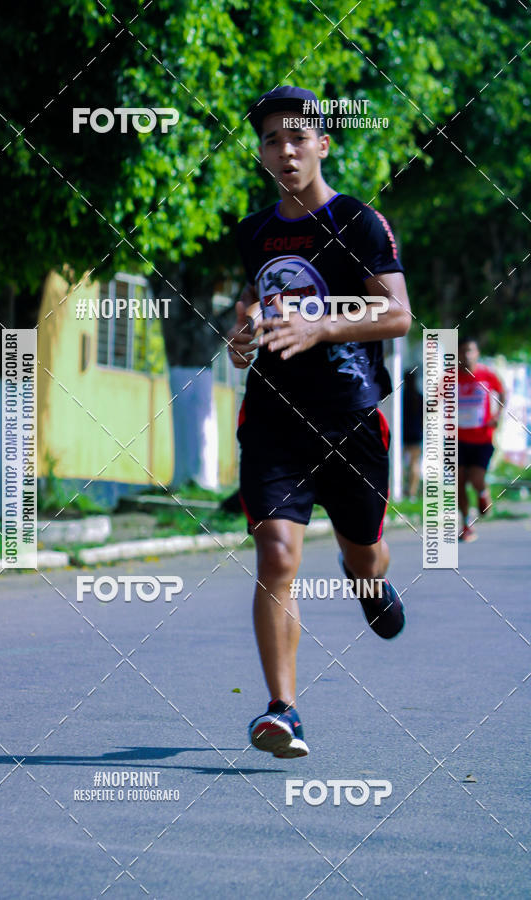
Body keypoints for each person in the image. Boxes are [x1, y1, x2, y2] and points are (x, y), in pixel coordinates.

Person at [226, 86, 412, 759]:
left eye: (298, 137)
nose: (286, 150)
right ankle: (283, 711)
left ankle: (368, 579)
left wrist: (322, 324)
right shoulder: (253, 232)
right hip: (273, 420)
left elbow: (397, 314)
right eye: (272, 139)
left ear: (323, 145)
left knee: (363, 554)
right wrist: (242, 336)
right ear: (261, 153)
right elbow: (253, 302)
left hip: (350, 420)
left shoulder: (359, 221)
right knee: (276, 554)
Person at [457, 336, 506, 543]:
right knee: (459, 482)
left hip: (482, 438)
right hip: (457, 439)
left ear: (476, 353)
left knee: (476, 479)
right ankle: (466, 524)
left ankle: (482, 491)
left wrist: (497, 415)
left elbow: (502, 392)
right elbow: (436, 398)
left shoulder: (487, 375)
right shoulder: (450, 377)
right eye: (462, 351)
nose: (467, 355)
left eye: (470, 350)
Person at [402, 370, 423, 500]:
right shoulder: (419, 396)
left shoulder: (402, 397)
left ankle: (403, 488)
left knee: (401, 462)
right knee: (414, 463)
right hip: (416, 433)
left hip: (403, 433)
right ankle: (412, 492)